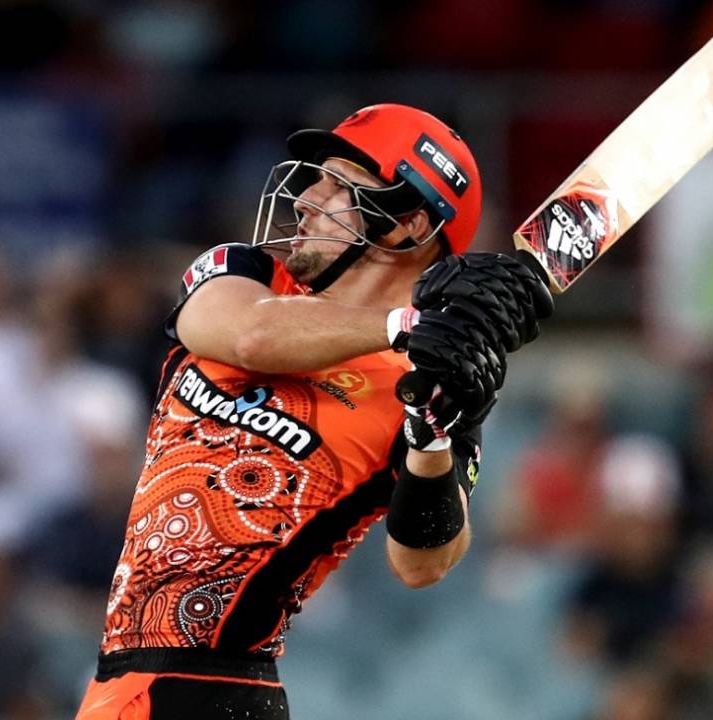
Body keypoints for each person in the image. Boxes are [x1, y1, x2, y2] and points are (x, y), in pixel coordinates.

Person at [74, 103, 552, 719]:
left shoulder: (425, 384)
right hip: (121, 684)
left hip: (219, 689)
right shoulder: (244, 274)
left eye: (337, 186)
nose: (305, 198)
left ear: (407, 223)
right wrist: (407, 325)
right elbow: (248, 335)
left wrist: (431, 438)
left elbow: (424, 560)